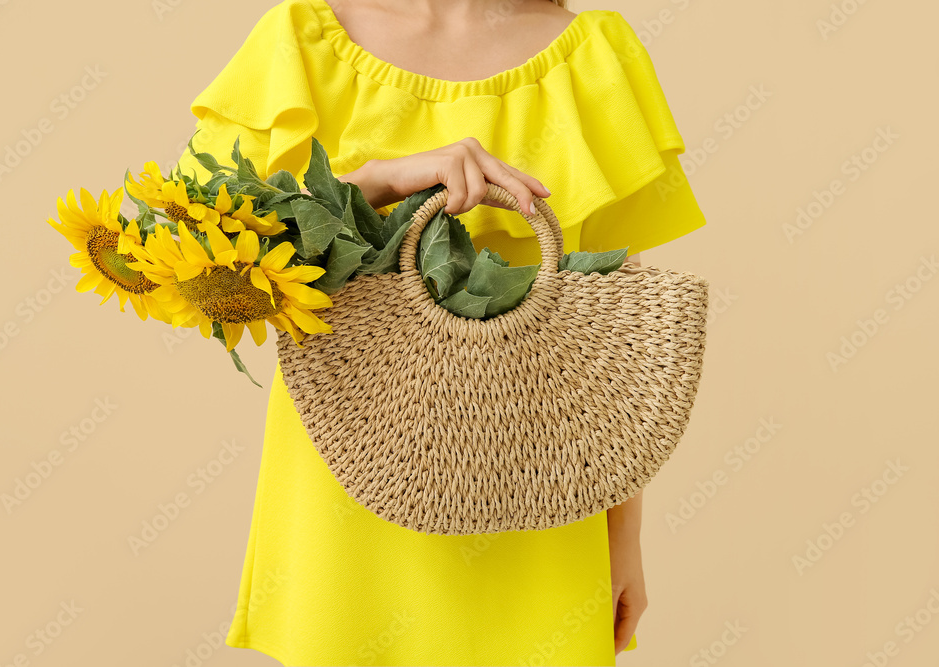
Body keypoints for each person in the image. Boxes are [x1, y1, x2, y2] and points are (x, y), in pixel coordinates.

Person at [176, 0, 707, 663]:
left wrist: (622, 537)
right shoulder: (303, 36)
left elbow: (607, 337)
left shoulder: (593, 53)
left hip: (541, 487)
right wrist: (379, 181)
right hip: (346, 479)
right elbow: (198, 255)